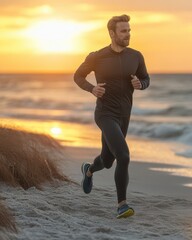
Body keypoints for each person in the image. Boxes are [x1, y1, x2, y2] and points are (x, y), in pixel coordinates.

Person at [73, 14, 150, 218]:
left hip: (125, 114)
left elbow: (145, 78)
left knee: (108, 161)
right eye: (123, 31)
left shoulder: (136, 56)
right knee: (123, 155)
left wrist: (140, 84)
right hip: (105, 113)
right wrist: (92, 89)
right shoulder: (97, 56)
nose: (128, 34)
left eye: (129, 30)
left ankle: (88, 170)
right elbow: (78, 76)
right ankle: (122, 205)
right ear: (112, 33)